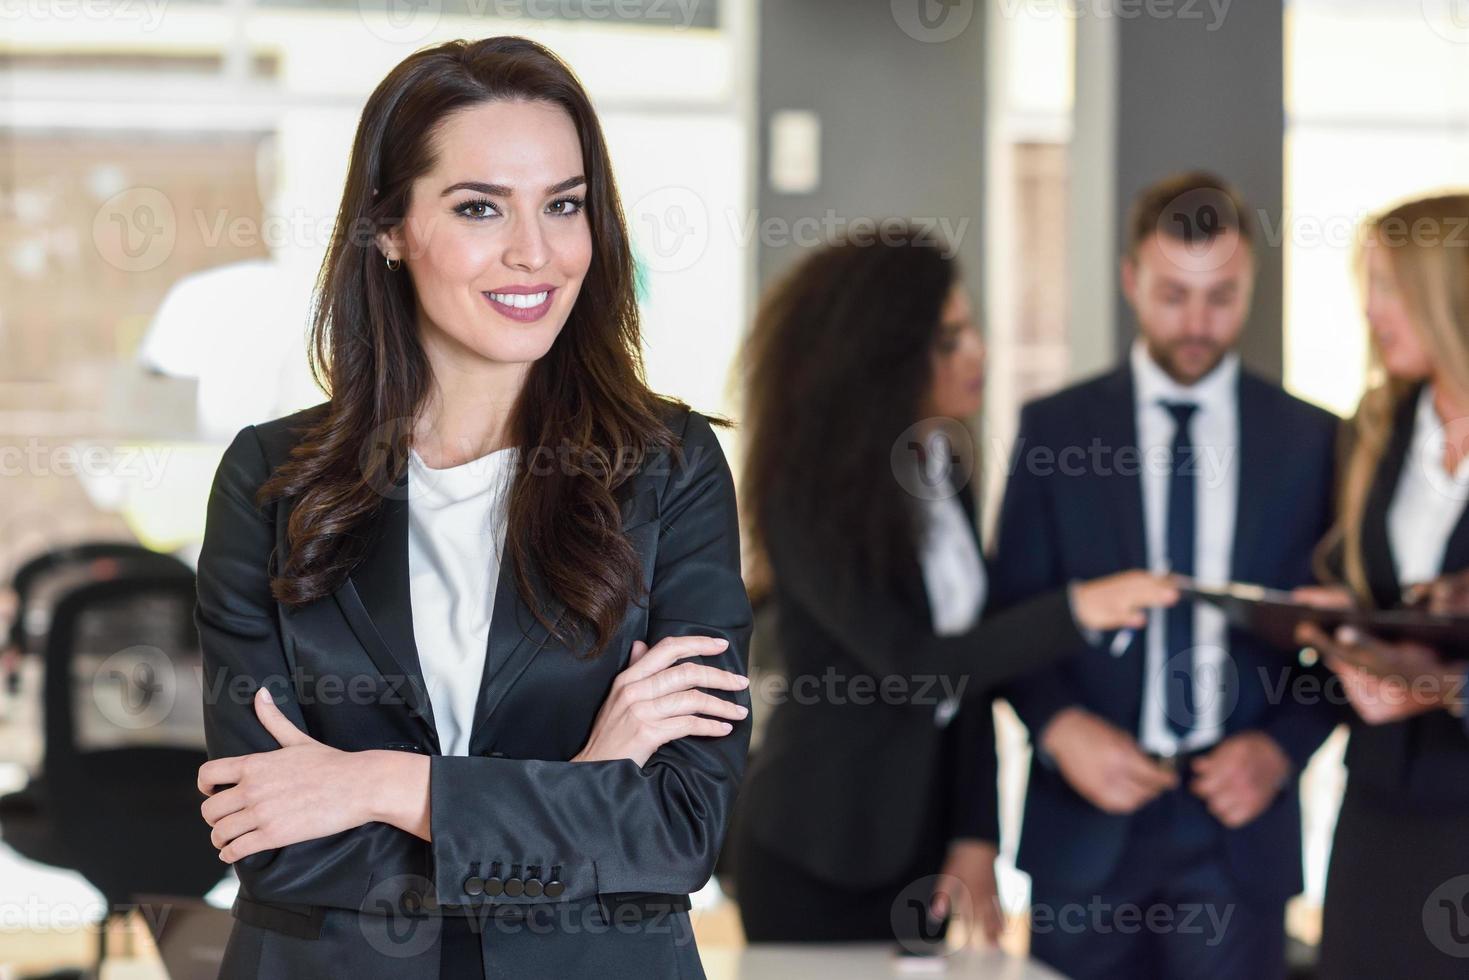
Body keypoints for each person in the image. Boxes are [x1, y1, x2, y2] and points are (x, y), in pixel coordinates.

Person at [192, 37, 752, 979]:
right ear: (390, 228)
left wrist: (373, 783)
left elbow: (676, 831)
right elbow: (275, 838)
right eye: (480, 207)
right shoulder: (272, 478)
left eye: (564, 205)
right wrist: (581, 787)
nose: (535, 252)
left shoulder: (668, 469)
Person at [728, 228, 1176, 946]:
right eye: (948, 339)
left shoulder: (941, 464)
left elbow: (970, 667)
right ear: (883, 357)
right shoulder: (803, 496)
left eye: (970, 329)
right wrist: (1077, 609)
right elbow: (914, 665)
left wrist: (974, 833)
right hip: (817, 849)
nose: (978, 353)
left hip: (922, 847)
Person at [990, 172, 1340, 979]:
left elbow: (1340, 632)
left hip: (1239, 835)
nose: (1195, 323)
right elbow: (1009, 620)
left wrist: (1283, 750)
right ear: (1129, 281)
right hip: (1081, 826)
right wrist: (1057, 729)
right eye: (1172, 295)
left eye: (1220, 296)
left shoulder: (1313, 440)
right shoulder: (1054, 429)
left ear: (1250, 281)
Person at [1292, 193, 1469, 979]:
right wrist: (1345, 632)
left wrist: (1445, 690)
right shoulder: (1377, 426)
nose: (1371, 310)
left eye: (1390, 286)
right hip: (1378, 801)